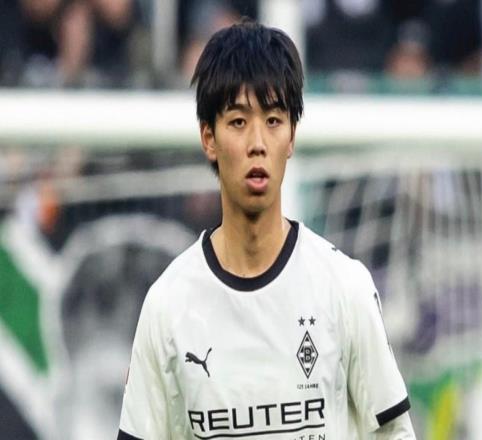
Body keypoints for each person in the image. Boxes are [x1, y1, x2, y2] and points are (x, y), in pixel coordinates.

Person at [117, 20, 416, 439]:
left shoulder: (344, 288)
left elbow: (394, 432)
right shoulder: (168, 305)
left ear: (291, 136)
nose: (257, 142)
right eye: (239, 121)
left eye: (273, 120)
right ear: (209, 137)